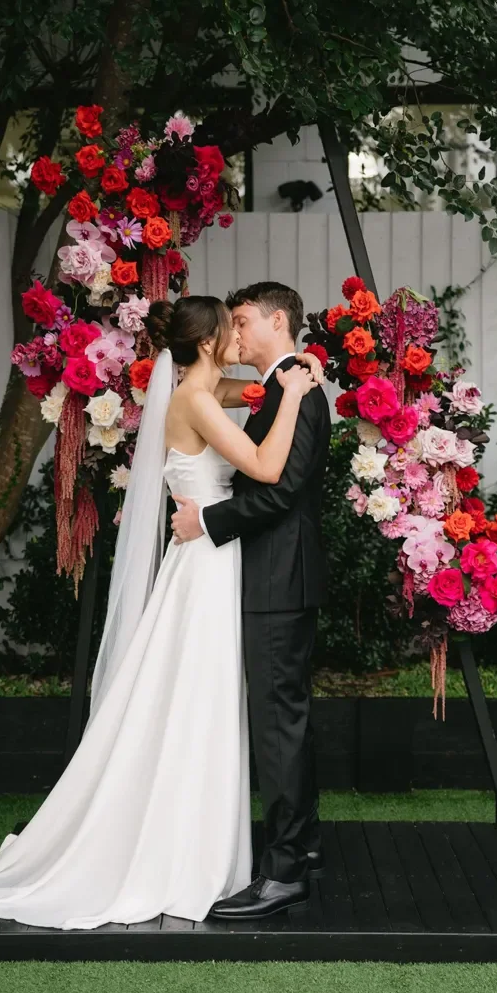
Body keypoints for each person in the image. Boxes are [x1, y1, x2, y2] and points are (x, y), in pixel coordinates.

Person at [0, 295, 323, 932]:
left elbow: (247, 391)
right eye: (229, 327)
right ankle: (185, 850)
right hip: (207, 568)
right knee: (196, 698)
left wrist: (289, 372)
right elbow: (267, 466)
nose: (236, 332)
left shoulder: (204, 388)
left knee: (206, 700)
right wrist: (299, 392)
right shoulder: (193, 400)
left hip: (217, 562)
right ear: (204, 343)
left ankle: (219, 842)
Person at [171, 282, 331, 920]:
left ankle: (285, 870)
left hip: (275, 580)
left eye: (245, 321)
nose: (237, 333)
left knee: (277, 723)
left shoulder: (299, 388)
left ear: (278, 320)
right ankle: (304, 843)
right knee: (284, 718)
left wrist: (206, 522)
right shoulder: (281, 384)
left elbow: (280, 491)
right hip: (271, 576)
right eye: (230, 324)